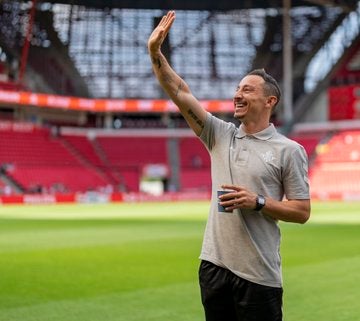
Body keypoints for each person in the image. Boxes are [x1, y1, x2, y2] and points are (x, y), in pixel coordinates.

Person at [148, 11, 311, 321]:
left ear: (270, 101)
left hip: (258, 274)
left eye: (247, 90)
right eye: (238, 89)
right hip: (213, 266)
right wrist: (155, 53)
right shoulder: (218, 134)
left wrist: (258, 202)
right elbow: (181, 92)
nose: (237, 94)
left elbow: (302, 211)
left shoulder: (289, 150)